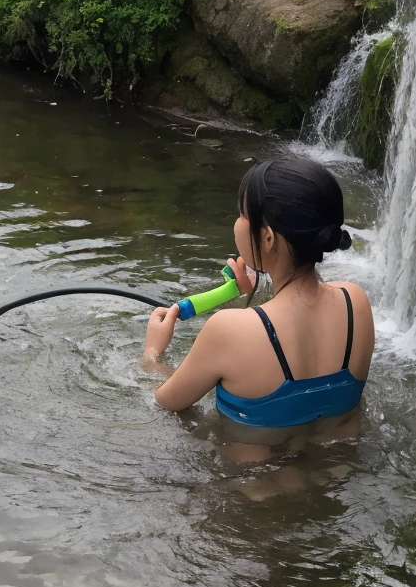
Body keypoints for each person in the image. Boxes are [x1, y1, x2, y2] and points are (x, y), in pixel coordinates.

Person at [142, 156, 374, 430]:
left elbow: (167, 402)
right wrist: (258, 289)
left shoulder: (227, 330)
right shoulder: (355, 302)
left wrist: (152, 353)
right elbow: (295, 317)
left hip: (249, 473)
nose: (237, 223)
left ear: (267, 237)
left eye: (242, 214)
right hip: (338, 471)